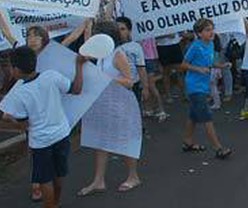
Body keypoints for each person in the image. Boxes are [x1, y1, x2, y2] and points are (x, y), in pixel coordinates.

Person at [1, 46, 84, 208]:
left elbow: (24, 124)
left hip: (40, 142)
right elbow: (76, 89)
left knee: (45, 178)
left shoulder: (19, 93)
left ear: (16, 69)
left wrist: (10, 119)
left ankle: (50, 205)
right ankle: (56, 203)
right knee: (59, 174)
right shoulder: (51, 76)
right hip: (62, 134)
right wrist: (79, 66)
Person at [78, 21, 143, 196]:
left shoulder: (117, 54)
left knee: (124, 140)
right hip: (103, 103)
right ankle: (98, 180)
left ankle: (133, 176)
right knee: (100, 141)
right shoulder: (100, 56)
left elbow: (130, 82)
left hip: (121, 104)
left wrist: (105, 77)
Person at [180, 19, 233, 158]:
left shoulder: (210, 45)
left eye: (212, 29)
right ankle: (218, 148)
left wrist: (222, 65)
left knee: (193, 115)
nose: (211, 32)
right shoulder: (195, 46)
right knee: (207, 117)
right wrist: (198, 69)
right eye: (207, 30)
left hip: (203, 85)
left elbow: (209, 63)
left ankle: (188, 141)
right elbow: (183, 65)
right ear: (199, 33)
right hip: (194, 86)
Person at [115, 17, 150, 110]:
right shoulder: (110, 47)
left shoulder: (135, 47)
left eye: (122, 29)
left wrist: (145, 88)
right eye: (117, 29)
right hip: (116, 86)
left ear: (129, 31)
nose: (119, 32)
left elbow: (141, 69)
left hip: (133, 86)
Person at [156, 33, 185, 103]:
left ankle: (184, 94)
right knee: (166, 72)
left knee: (180, 71)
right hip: (162, 45)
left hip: (175, 44)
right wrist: (165, 35)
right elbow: (153, 34)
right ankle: (168, 95)